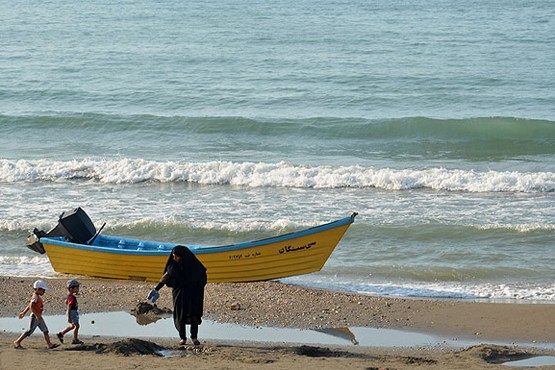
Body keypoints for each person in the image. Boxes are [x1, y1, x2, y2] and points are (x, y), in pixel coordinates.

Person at [148, 245, 207, 346]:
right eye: (173, 256)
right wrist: (156, 289)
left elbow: (202, 277)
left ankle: (194, 337)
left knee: (193, 314)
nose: (174, 258)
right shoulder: (172, 265)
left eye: (177, 256)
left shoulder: (194, 265)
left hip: (193, 294)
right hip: (179, 294)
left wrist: (195, 285)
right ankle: (183, 338)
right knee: (180, 315)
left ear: (183, 256)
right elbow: (166, 277)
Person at [14, 279, 59, 349]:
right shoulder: (35, 296)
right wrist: (36, 315)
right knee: (29, 331)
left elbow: (29, 305)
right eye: (43, 290)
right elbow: (31, 306)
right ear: (38, 289)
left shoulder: (37, 297)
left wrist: (24, 312)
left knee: (45, 330)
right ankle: (17, 341)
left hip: (39, 316)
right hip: (35, 317)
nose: (44, 292)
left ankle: (49, 344)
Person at [57, 279, 83, 344]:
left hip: (73, 312)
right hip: (72, 313)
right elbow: (69, 307)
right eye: (77, 288)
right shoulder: (71, 297)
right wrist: (69, 316)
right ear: (71, 289)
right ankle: (75, 339)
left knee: (72, 326)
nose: (78, 289)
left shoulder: (71, 296)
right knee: (77, 326)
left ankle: (61, 334)